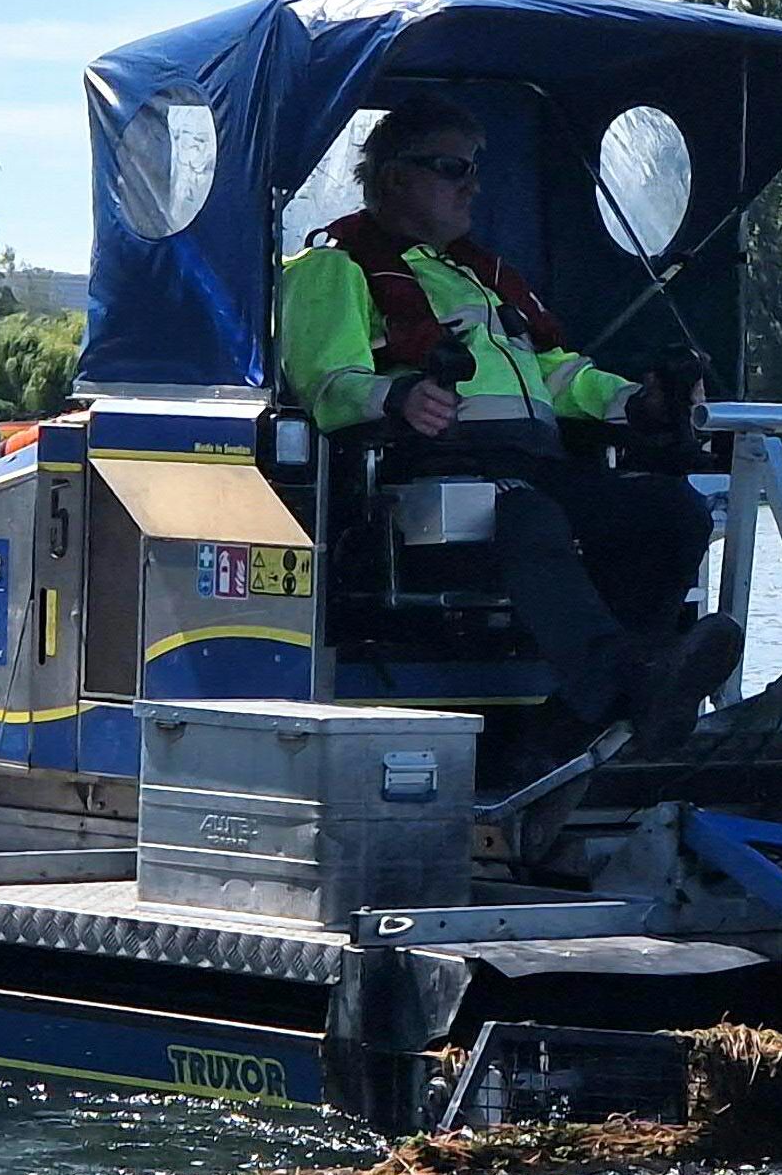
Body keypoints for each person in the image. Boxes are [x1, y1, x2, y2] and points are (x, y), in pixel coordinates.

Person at [276, 90, 738, 756]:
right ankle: (624, 684)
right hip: (433, 474)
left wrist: (636, 403)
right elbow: (327, 385)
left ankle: (619, 686)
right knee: (527, 517)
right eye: (453, 169)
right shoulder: (334, 266)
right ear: (394, 176)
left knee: (672, 512)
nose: (473, 187)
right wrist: (396, 396)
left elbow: (559, 375)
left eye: (475, 170)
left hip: (536, 467)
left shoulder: (484, 279)